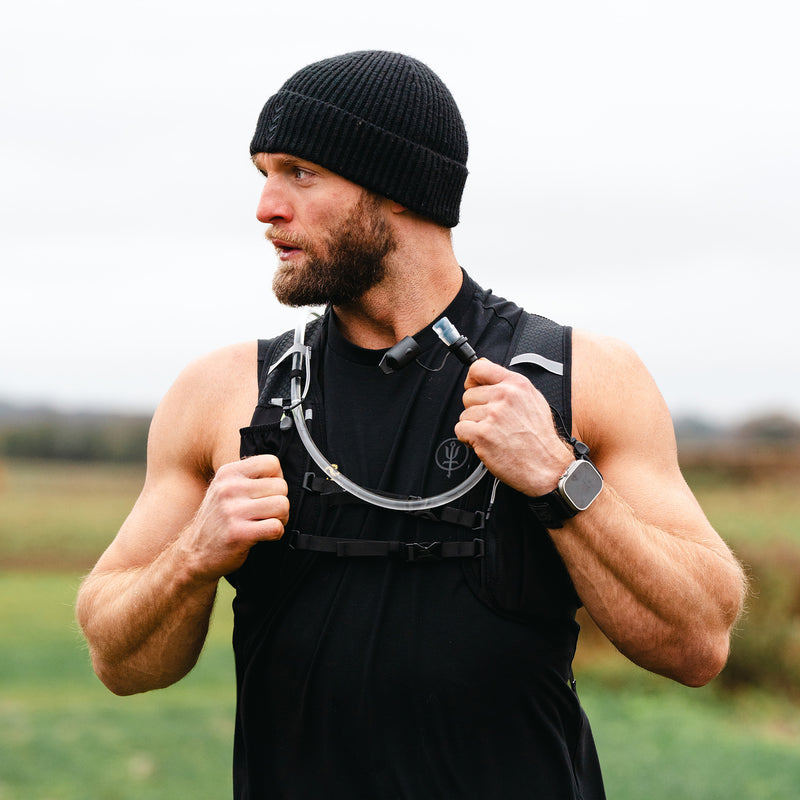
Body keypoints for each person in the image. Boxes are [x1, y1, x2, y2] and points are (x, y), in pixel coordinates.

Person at [76, 50, 747, 799]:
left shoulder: (578, 378)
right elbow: (118, 659)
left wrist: (560, 477)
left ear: (397, 189)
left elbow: (698, 643)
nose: (266, 206)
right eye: (263, 173)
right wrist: (193, 555)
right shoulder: (225, 394)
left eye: (299, 171)